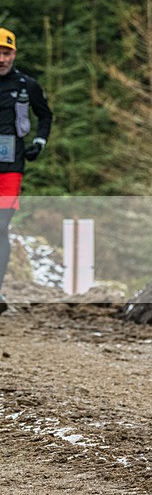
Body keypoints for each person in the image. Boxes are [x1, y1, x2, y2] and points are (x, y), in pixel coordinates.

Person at [0, 27, 53, 314]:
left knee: (0, 227)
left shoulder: (26, 85)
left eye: (6, 53)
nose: (1, 59)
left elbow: (45, 115)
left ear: (14, 54)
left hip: (11, 167)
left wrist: (39, 143)